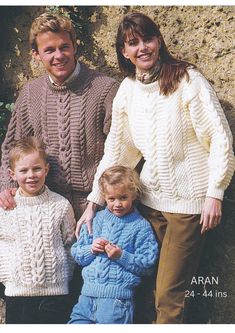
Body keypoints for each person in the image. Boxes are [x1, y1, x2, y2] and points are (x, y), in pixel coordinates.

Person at [77, 12, 235, 324]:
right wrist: (94, 200)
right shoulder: (128, 89)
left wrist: (215, 192)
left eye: (147, 39)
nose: (142, 48)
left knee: (168, 296)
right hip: (147, 206)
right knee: (144, 290)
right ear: (124, 52)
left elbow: (219, 137)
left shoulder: (188, 79)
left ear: (158, 41)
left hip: (187, 208)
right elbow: (118, 151)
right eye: (132, 43)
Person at [0, 12, 119, 219]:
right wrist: (7, 186)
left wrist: (101, 201)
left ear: (74, 46)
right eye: (49, 50)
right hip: (45, 207)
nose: (59, 55)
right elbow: (13, 146)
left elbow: (120, 150)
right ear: (36, 55)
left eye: (64, 46)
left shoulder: (105, 89)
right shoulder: (31, 93)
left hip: (99, 208)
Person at [68, 165, 158, 324]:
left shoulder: (141, 226)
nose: (117, 204)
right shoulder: (96, 219)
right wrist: (91, 249)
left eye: (123, 197)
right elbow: (77, 254)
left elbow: (148, 265)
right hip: (86, 298)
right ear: (104, 196)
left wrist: (121, 256)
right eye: (111, 199)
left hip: (117, 301)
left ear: (133, 195)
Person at [0, 136, 76, 324]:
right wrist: (6, 280)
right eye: (23, 170)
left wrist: (64, 276)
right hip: (17, 292)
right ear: (12, 174)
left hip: (55, 293)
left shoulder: (61, 205)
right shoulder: (6, 207)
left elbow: (70, 244)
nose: (31, 175)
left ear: (46, 170)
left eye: (37, 169)